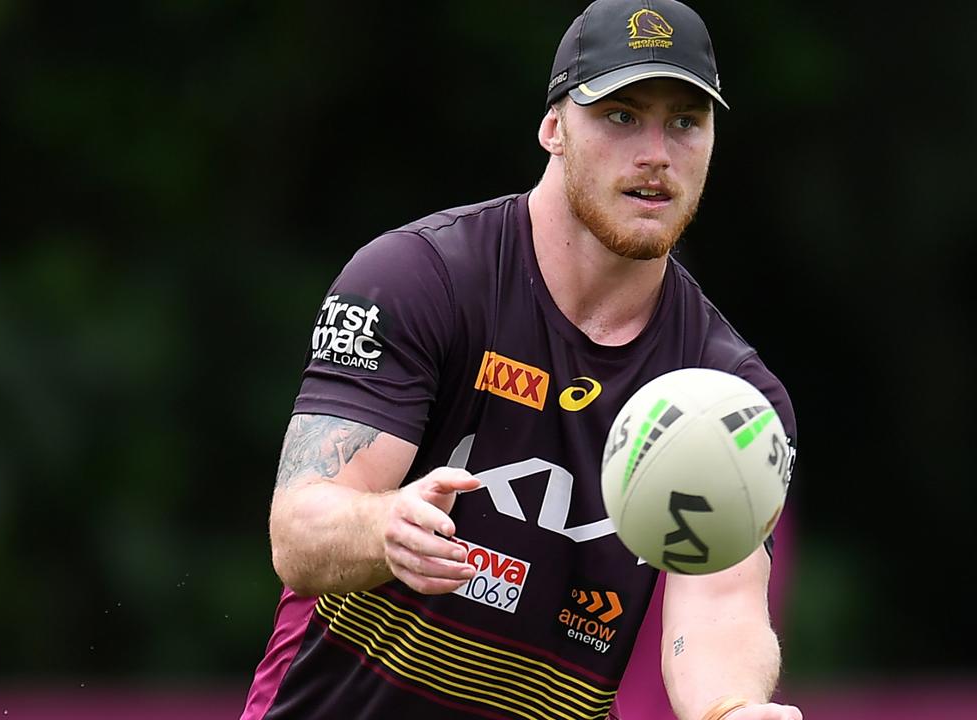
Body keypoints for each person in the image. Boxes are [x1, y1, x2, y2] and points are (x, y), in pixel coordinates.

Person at [240, 1, 801, 718]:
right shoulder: (420, 279)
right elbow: (298, 530)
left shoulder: (729, 394)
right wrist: (384, 527)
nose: (657, 151)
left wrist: (731, 710)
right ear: (553, 129)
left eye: (686, 122)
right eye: (622, 116)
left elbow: (719, 604)